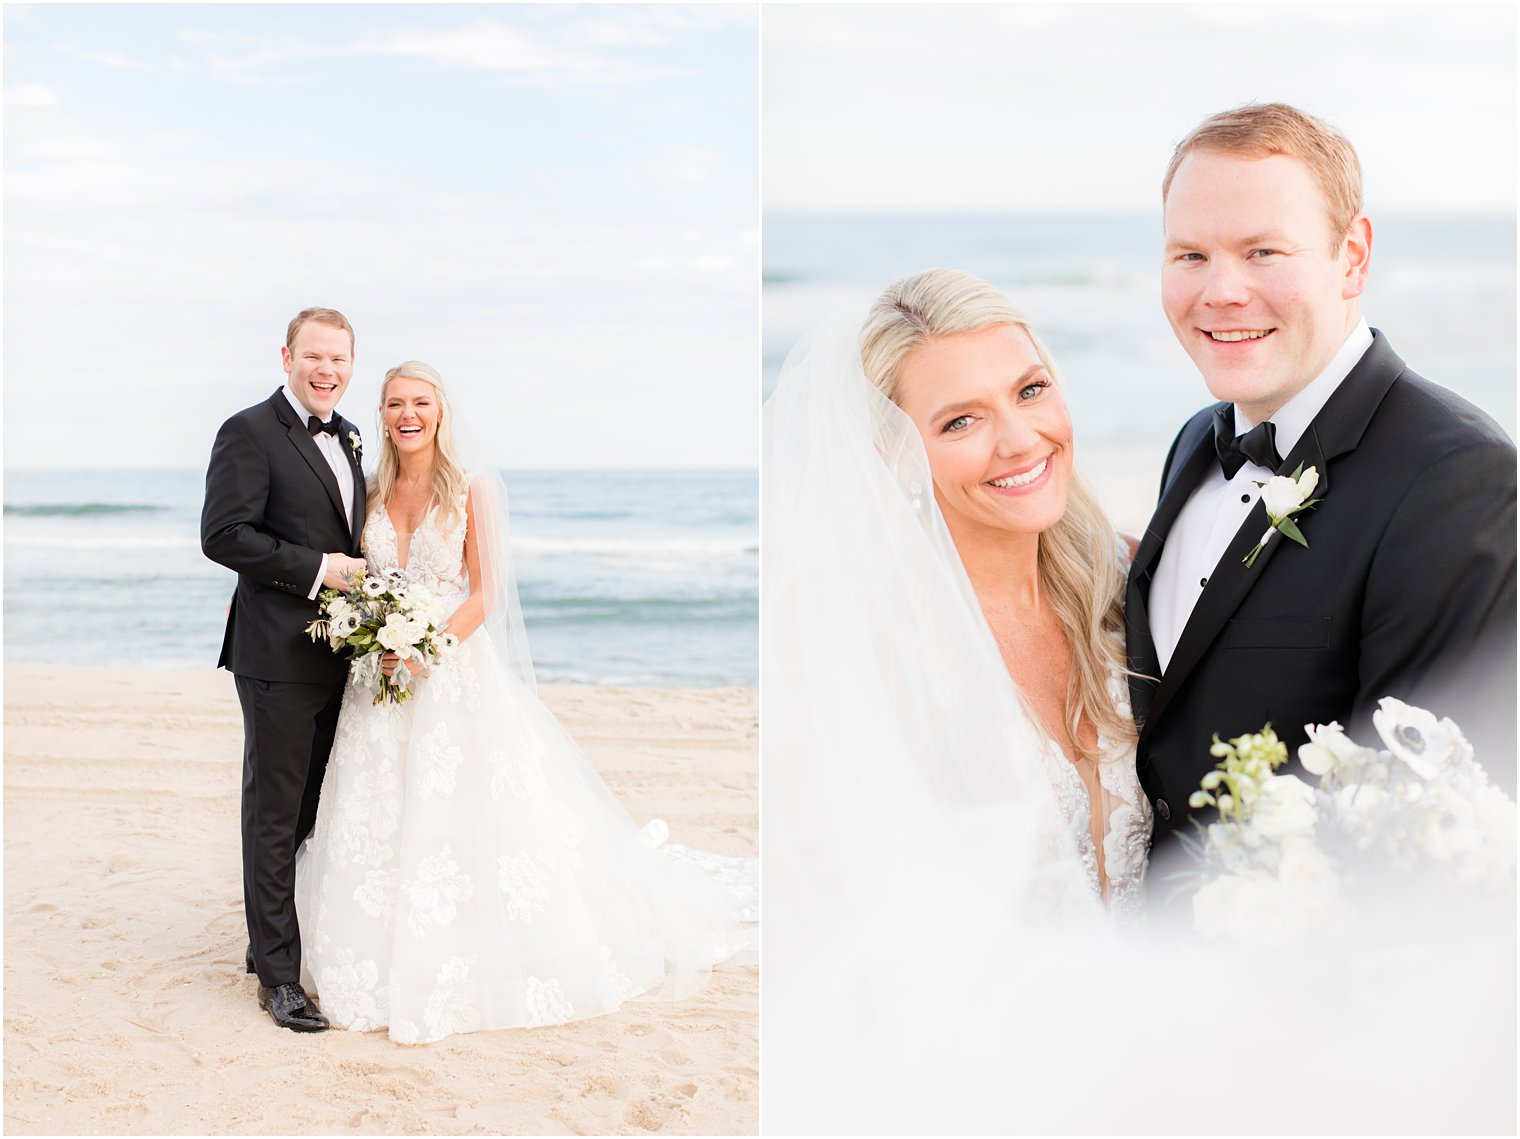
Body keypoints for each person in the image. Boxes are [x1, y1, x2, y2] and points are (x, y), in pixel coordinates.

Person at [293, 361, 754, 1044]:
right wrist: (376, 630)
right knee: (378, 809)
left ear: (442, 411)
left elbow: (485, 594)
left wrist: (427, 645)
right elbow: (362, 578)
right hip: (382, 676)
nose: (407, 413)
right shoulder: (369, 490)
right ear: (383, 413)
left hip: (450, 671)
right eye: (394, 403)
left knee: (470, 813)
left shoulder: (471, 488)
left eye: (420, 401)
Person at [1127, 103, 1518, 870]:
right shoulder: (1193, 444)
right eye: (1190, 255)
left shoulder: (1456, 479)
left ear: (1352, 257)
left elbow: (1415, 817)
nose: (1222, 291)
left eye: (1263, 251)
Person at [201, 307, 368, 1032]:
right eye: (314, 356)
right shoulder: (249, 430)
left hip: (341, 656)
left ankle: (265, 941)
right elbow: (224, 534)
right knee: (274, 815)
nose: (326, 370)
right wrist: (318, 570)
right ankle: (277, 976)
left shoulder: (354, 435)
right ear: (286, 356)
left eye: (338, 359)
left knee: (309, 812)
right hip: (275, 653)